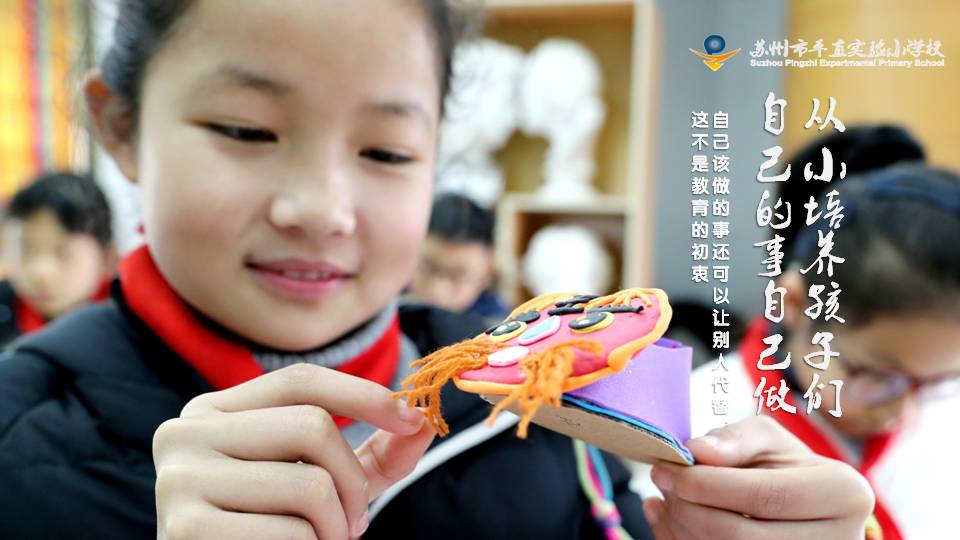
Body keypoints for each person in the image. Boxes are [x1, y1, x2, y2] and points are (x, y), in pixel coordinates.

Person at [0, 1, 875, 539]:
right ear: (118, 127)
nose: (322, 209)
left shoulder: (536, 399)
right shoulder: (19, 437)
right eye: (246, 130)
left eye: (386, 149)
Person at [691, 163, 960, 539]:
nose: (904, 412)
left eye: (940, 381)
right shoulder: (701, 418)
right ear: (795, 303)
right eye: (877, 376)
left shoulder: (946, 413)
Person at [0, 172, 114, 348]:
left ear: (107, 257)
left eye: (64, 253)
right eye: (25, 250)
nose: (41, 272)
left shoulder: (129, 326)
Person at [407, 193, 507, 320]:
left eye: (458, 275)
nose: (438, 292)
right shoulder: (391, 311)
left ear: (488, 272)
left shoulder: (502, 326)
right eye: (426, 268)